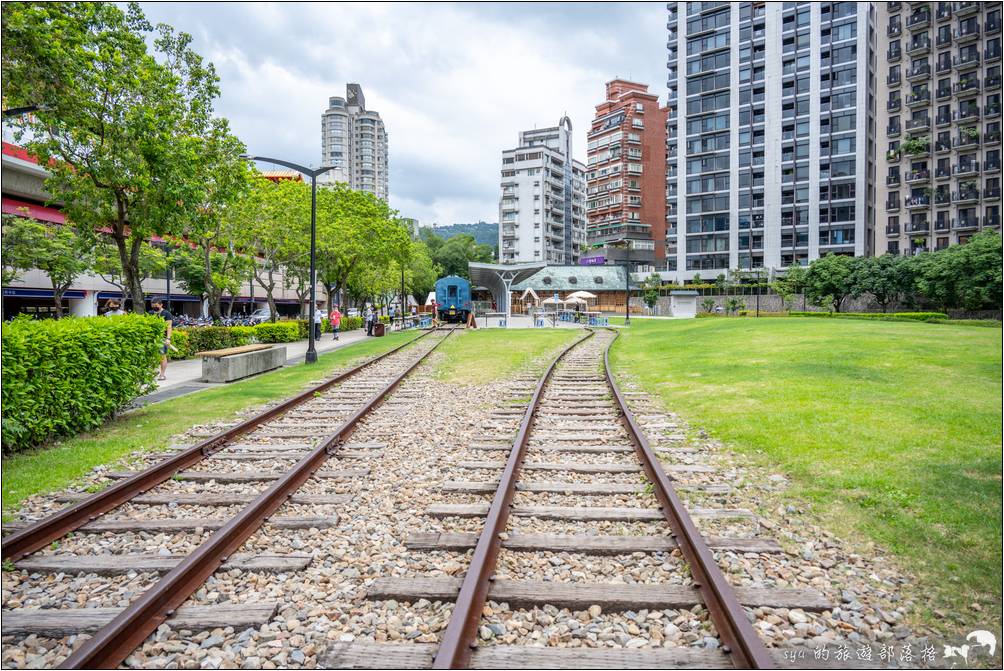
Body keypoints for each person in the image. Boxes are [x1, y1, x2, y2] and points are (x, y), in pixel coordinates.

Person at [149, 297, 173, 381]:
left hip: (162, 338)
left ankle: (162, 374)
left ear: (161, 305)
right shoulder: (150, 313)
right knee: (151, 356)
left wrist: (168, 338)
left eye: (156, 305)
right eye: (153, 305)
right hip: (152, 338)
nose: (154, 307)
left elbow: (169, 327)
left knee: (162, 356)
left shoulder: (166, 313)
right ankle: (153, 372)